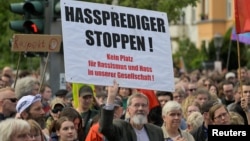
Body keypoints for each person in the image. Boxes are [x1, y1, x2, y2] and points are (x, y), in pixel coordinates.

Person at [99, 80, 164, 141]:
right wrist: (111, 97)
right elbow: (105, 128)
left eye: (144, 105)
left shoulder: (157, 131)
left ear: (148, 110)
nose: (140, 108)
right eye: (136, 105)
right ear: (128, 110)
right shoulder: (120, 127)